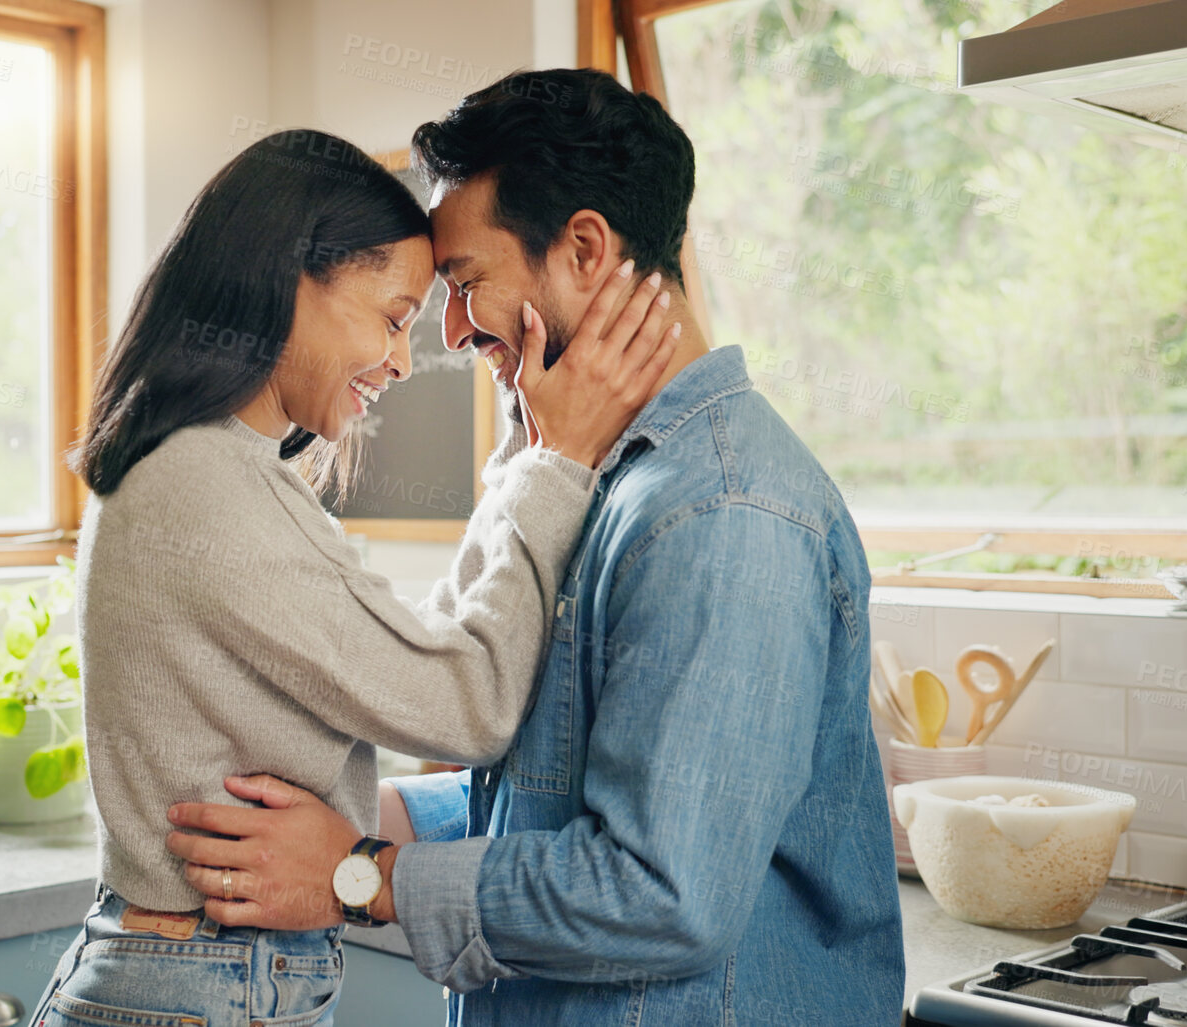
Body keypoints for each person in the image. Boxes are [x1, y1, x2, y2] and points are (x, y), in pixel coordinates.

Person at [165, 70, 906, 1025]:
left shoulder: (722, 509)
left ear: (584, 249)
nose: (455, 330)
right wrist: (370, 818)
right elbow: (562, 788)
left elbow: (661, 891)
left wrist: (365, 877)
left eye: (469, 283)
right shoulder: (591, 471)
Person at [28, 127, 679, 1027]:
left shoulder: (208, 468)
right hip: (203, 984)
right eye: (390, 316)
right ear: (294, 277)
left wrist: (528, 458)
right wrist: (556, 459)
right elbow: (468, 704)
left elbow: (427, 659)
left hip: (195, 977)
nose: (404, 360)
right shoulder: (207, 486)